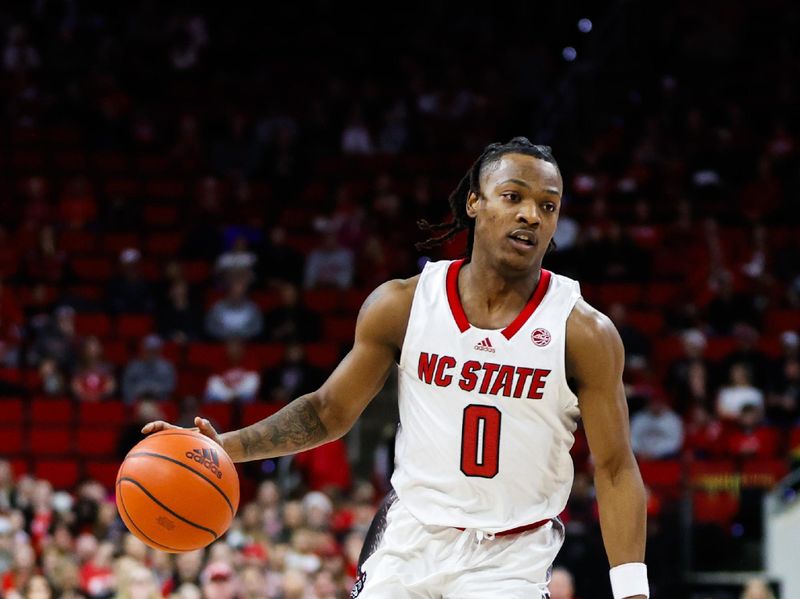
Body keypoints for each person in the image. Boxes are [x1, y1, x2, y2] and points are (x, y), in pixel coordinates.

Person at [144, 138, 648, 598]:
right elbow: (327, 412)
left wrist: (631, 591)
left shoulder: (583, 331)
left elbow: (615, 466)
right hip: (410, 539)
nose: (532, 216)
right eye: (513, 196)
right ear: (475, 201)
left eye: (548, 205)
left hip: (510, 554)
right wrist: (224, 447)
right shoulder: (404, 304)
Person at [121, 335, 176, 404]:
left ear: (159, 351)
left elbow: (169, 387)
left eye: (154, 351)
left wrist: (155, 390)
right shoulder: (133, 367)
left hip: (160, 402)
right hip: (138, 402)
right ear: (143, 350)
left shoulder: (167, 367)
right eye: (148, 350)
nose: (151, 354)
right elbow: (127, 387)